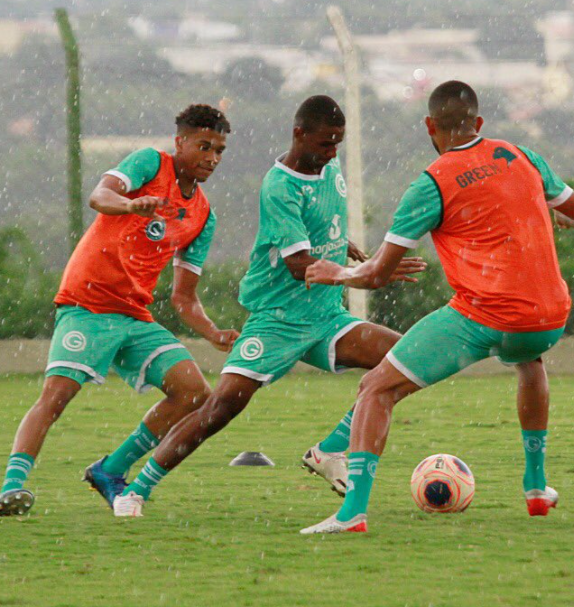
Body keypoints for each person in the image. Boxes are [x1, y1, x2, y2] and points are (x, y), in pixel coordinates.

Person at [299, 80, 574, 534]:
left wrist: (335, 272)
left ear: (430, 126)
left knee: (376, 388)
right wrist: (554, 216)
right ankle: (536, 487)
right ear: (478, 122)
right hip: (548, 318)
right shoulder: (521, 155)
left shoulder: (432, 183)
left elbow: (377, 274)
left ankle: (352, 514)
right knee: (529, 361)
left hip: (483, 316)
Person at [112, 95, 426, 518]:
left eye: (337, 143)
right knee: (220, 408)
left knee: (408, 362)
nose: (332, 152)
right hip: (277, 320)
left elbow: (322, 224)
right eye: (325, 144)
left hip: (326, 317)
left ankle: (330, 450)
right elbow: (300, 266)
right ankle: (137, 489)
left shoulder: (329, 167)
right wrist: (368, 273)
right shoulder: (279, 186)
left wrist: (344, 246)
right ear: (299, 134)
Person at [0, 104, 240, 517]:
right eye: (204, 146)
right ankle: (11, 488)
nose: (212, 157)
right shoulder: (150, 163)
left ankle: (111, 469)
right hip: (88, 303)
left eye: (220, 150)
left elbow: (184, 298)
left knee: (194, 392)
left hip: (135, 315)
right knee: (56, 396)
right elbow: (99, 196)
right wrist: (130, 206)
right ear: (180, 142)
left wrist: (213, 332)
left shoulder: (202, 215)